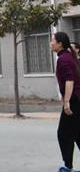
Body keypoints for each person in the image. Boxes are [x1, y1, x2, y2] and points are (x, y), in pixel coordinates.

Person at [51, 31, 80, 172]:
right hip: (75, 99)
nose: (51, 43)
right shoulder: (68, 56)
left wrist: (67, 102)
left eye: (53, 41)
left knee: (63, 133)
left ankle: (68, 166)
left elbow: (70, 80)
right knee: (75, 133)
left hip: (74, 101)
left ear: (60, 43)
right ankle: (68, 165)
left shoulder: (64, 59)